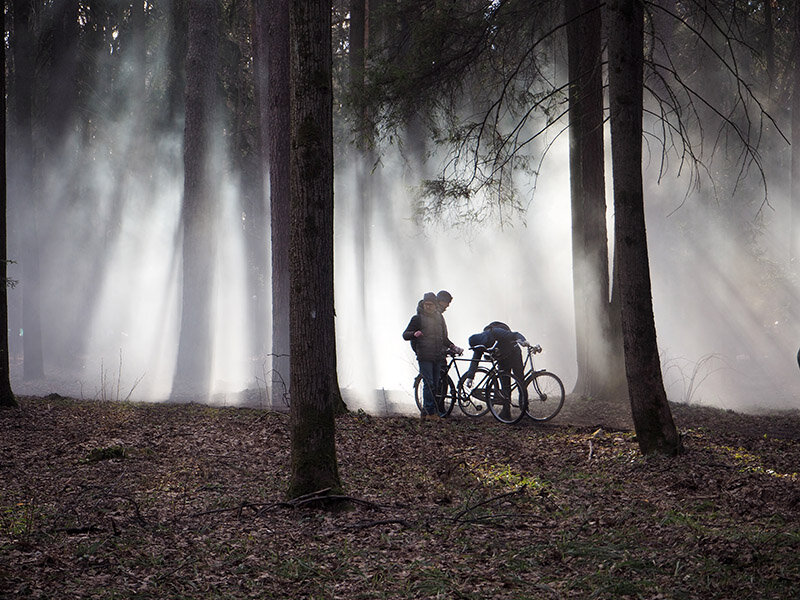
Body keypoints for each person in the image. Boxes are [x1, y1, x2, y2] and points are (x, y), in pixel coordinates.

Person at [403, 292, 462, 418]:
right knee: (429, 383)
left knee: (435, 384)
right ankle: (431, 413)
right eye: (426, 304)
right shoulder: (417, 318)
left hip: (438, 356)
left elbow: (444, 338)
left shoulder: (439, 318)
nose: (428, 307)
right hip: (424, 355)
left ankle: (427, 411)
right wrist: (414, 334)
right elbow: (405, 335)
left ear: (435, 305)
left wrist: (452, 346)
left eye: (430, 304)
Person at [463, 322, 529, 419]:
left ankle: (525, 409)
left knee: (520, 381)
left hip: (514, 354)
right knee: (505, 385)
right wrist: (470, 376)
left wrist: (523, 341)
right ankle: (506, 411)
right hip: (502, 359)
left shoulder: (496, 332)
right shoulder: (479, 343)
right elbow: (475, 361)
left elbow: (515, 334)